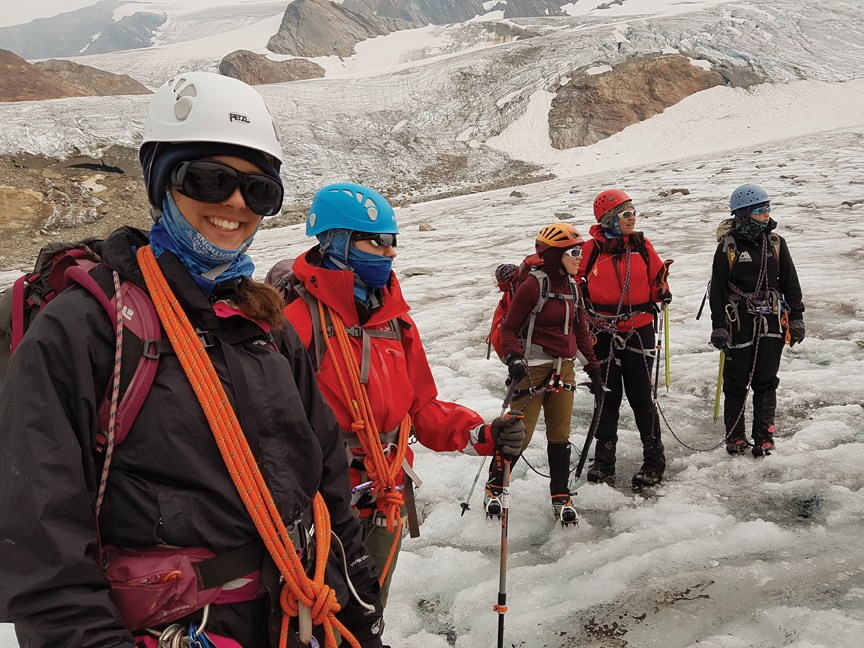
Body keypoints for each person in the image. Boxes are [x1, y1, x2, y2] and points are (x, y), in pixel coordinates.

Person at [0, 72, 386, 648]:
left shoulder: (264, 328)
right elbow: (43, 557)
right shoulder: (87, 329)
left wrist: (360, 614)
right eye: (209, 178)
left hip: (294, 618)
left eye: (259, 191)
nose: (234, 203)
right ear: (163, 184)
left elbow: (326, 490)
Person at [274, 182, 526, 609]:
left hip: (386, 500)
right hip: (324, 513)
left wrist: (482, 432)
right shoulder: (293, 326)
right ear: (337, 241)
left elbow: (421, 407)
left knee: (370, 611)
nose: (391, 252)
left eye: (394, 242)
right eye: (379, 241)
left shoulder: (395, 321)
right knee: (323, 623)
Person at [491, 222, 603, 525]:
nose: (580, 258)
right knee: (519, 436)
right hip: (532, 368)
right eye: (574, 252)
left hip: (563, 369)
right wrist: (513, 356)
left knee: (559, 435)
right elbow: (509, 328)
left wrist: (593, 368)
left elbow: (580, 333)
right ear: (557, 255)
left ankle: (560, 494)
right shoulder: (534, 286)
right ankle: (496, 485)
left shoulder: (574, 288)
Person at [578, 189, 671, 489]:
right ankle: (604, 462)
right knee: (606, 397)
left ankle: (654, 460)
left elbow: (657, 278)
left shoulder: (642, 246)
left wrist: (661, 291)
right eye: (626, 214)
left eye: (633, 213)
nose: (633, 218)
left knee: (642, 396)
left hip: (639, 328)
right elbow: (575, 281)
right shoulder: (591, 250)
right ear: (610, 220)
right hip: (601, 332)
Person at [709, 183, 805, 457]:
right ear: (745, 213)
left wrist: (796, 318)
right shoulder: (728, 246)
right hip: (738, 322)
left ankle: (764, 436)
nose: (766, 215)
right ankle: (735, 437)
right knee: (736, 382)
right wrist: (718, 327)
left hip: (772, 322)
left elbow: (790, 283)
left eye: (767, 209)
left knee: (766, 380)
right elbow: (717, 289)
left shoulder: (775, 243)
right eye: (761, 210)